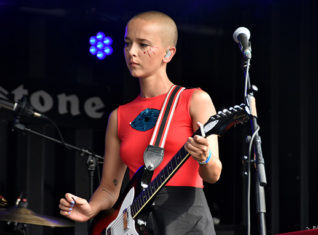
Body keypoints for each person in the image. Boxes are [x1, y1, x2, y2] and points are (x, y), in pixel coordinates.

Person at [59, 10, 222, 234]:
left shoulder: (194, 100)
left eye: (143, 44)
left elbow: (213, 174)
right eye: (127, 43)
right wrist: (90, 208)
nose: (131, 52)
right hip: (136, 220)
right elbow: (109, 188)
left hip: (187, 217)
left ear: (168, 53)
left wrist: (206, 158)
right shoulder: (119, 116)